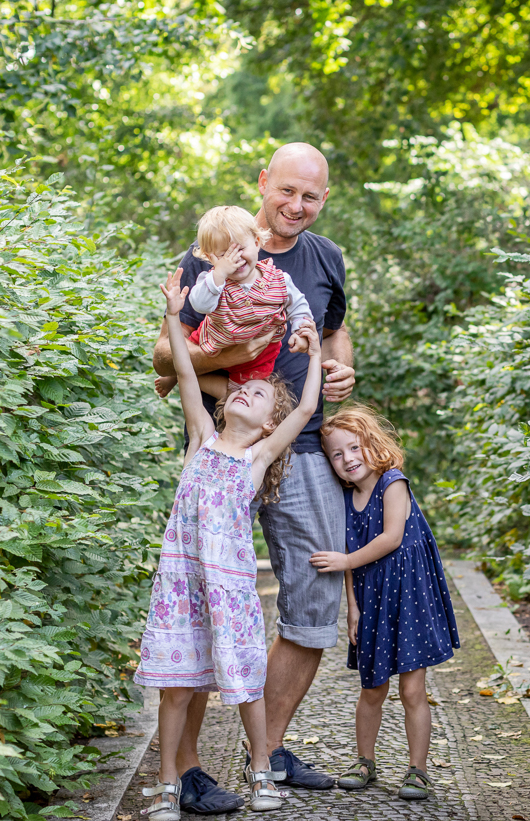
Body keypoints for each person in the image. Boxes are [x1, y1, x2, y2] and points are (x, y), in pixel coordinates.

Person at [150, 143, 355, 805]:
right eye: (287, 191)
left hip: (303, 446)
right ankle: (185, 773)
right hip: (226, 446)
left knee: (317, 600)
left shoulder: (324, 259)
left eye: (311, 197)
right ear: (264, 183)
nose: (297, 206)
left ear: (324, 199)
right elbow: (165, 354)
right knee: (201, 605)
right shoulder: (216, 248)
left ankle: (266, 749)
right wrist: (244, 352)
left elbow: (333, 331)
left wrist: (340, 366)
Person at [133, 265, 324, 818]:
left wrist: (312, 355)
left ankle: (262, 771)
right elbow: (189, 379)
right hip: (182, 585)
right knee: (177, 686)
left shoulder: (256, 459)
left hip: (233, 588)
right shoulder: (202, 439)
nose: (247, 391)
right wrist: (173, 314)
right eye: (244, 388)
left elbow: (308, 409)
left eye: (261, 393)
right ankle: (168, 784)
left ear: (269, 425)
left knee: (244, 683)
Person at [310, 405, 460, 801]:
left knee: (412, 689)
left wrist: (344, 561)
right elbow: (349, 555)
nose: (348, 460)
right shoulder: (343, 499)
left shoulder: (393, 482)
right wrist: (353, 606)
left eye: (353, 448)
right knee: (373, 688)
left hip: (409, 595)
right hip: (373, 597)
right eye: (337, 455)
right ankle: (364, 761)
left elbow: (391, 538)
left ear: (371, 444)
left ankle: (418, 770)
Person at [186, 205, 313, 388]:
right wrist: (219, 274)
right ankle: (177, 375)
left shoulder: (279, 280)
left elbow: (298, 305)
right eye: (224, 255)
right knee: (185, 361)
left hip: (258, 353)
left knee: (241, 391)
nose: (235, 259)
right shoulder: (212, 281)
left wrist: (300, 331)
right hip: (214, 338)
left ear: (256, 242)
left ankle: (206, 384)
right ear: (210, 258)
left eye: (240, 249)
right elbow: (200, 305)